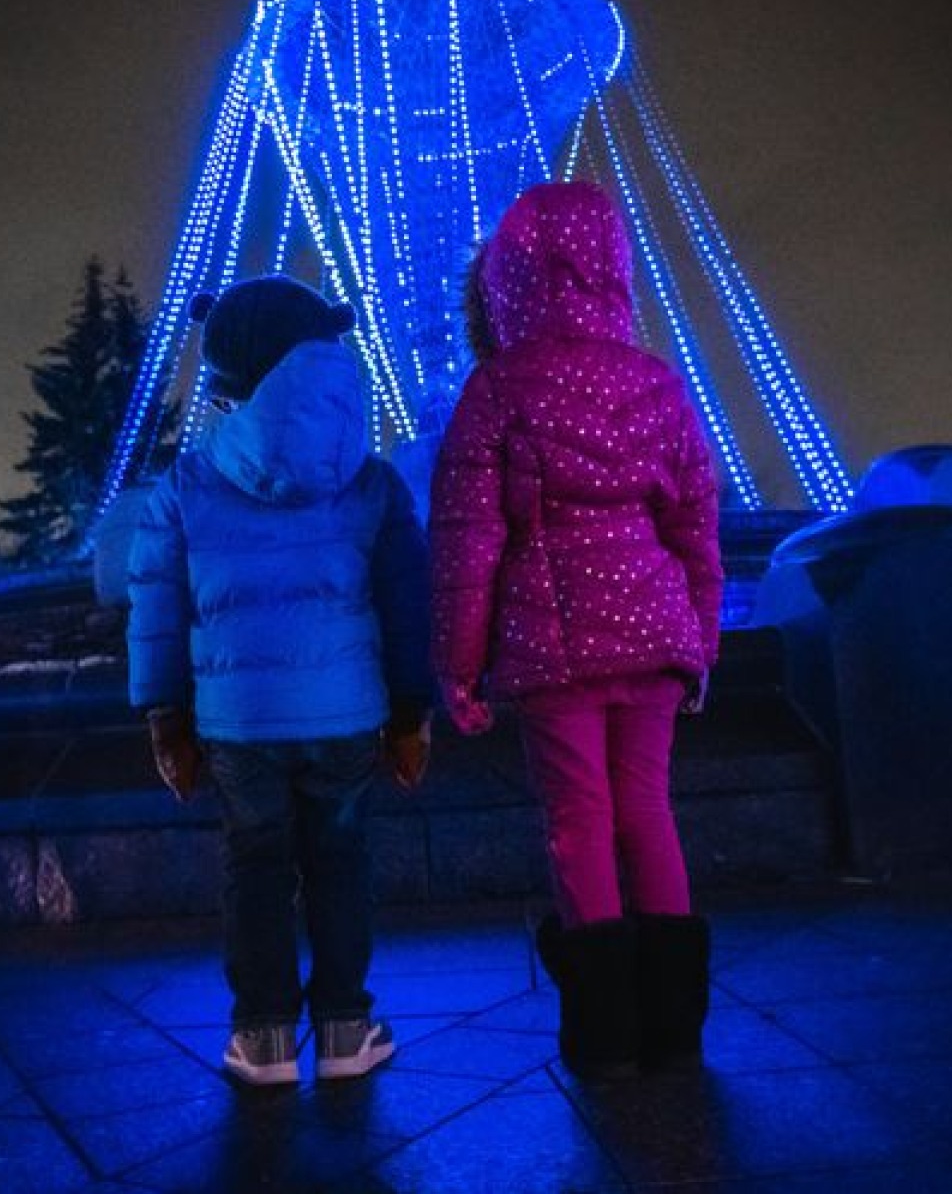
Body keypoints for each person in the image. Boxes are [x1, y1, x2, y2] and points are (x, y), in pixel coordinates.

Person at [430, 181, 724, 1079]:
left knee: (579, 820)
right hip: (654, 636)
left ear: (504, 282)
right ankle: (674, 1026)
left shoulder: (496, 390)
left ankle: (604, 1031)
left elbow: (469, 544)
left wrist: (459, 667)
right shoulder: (660, 383)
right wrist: (702, 645)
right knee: (648, 810)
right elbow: (697, 530)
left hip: (555, 648)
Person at [127, 274, 433, 1088]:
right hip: (347, 716)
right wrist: (411, 711)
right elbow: (407, 603)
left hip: (237, 722)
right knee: (340, 862)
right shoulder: (372, 482)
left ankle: (261, 1038)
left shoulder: (185, 485)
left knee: (255, 867)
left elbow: (157, 608)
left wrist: (166, 720)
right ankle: (344, 1029)